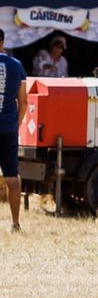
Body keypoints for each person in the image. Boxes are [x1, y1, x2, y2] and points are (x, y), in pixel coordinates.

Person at [0, 30, 28, 233]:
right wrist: (17, 124)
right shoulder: (16, 65)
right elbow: (23, 100)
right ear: (2, 42)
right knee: (11, 177)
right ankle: (15, 223)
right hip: (8, 128)